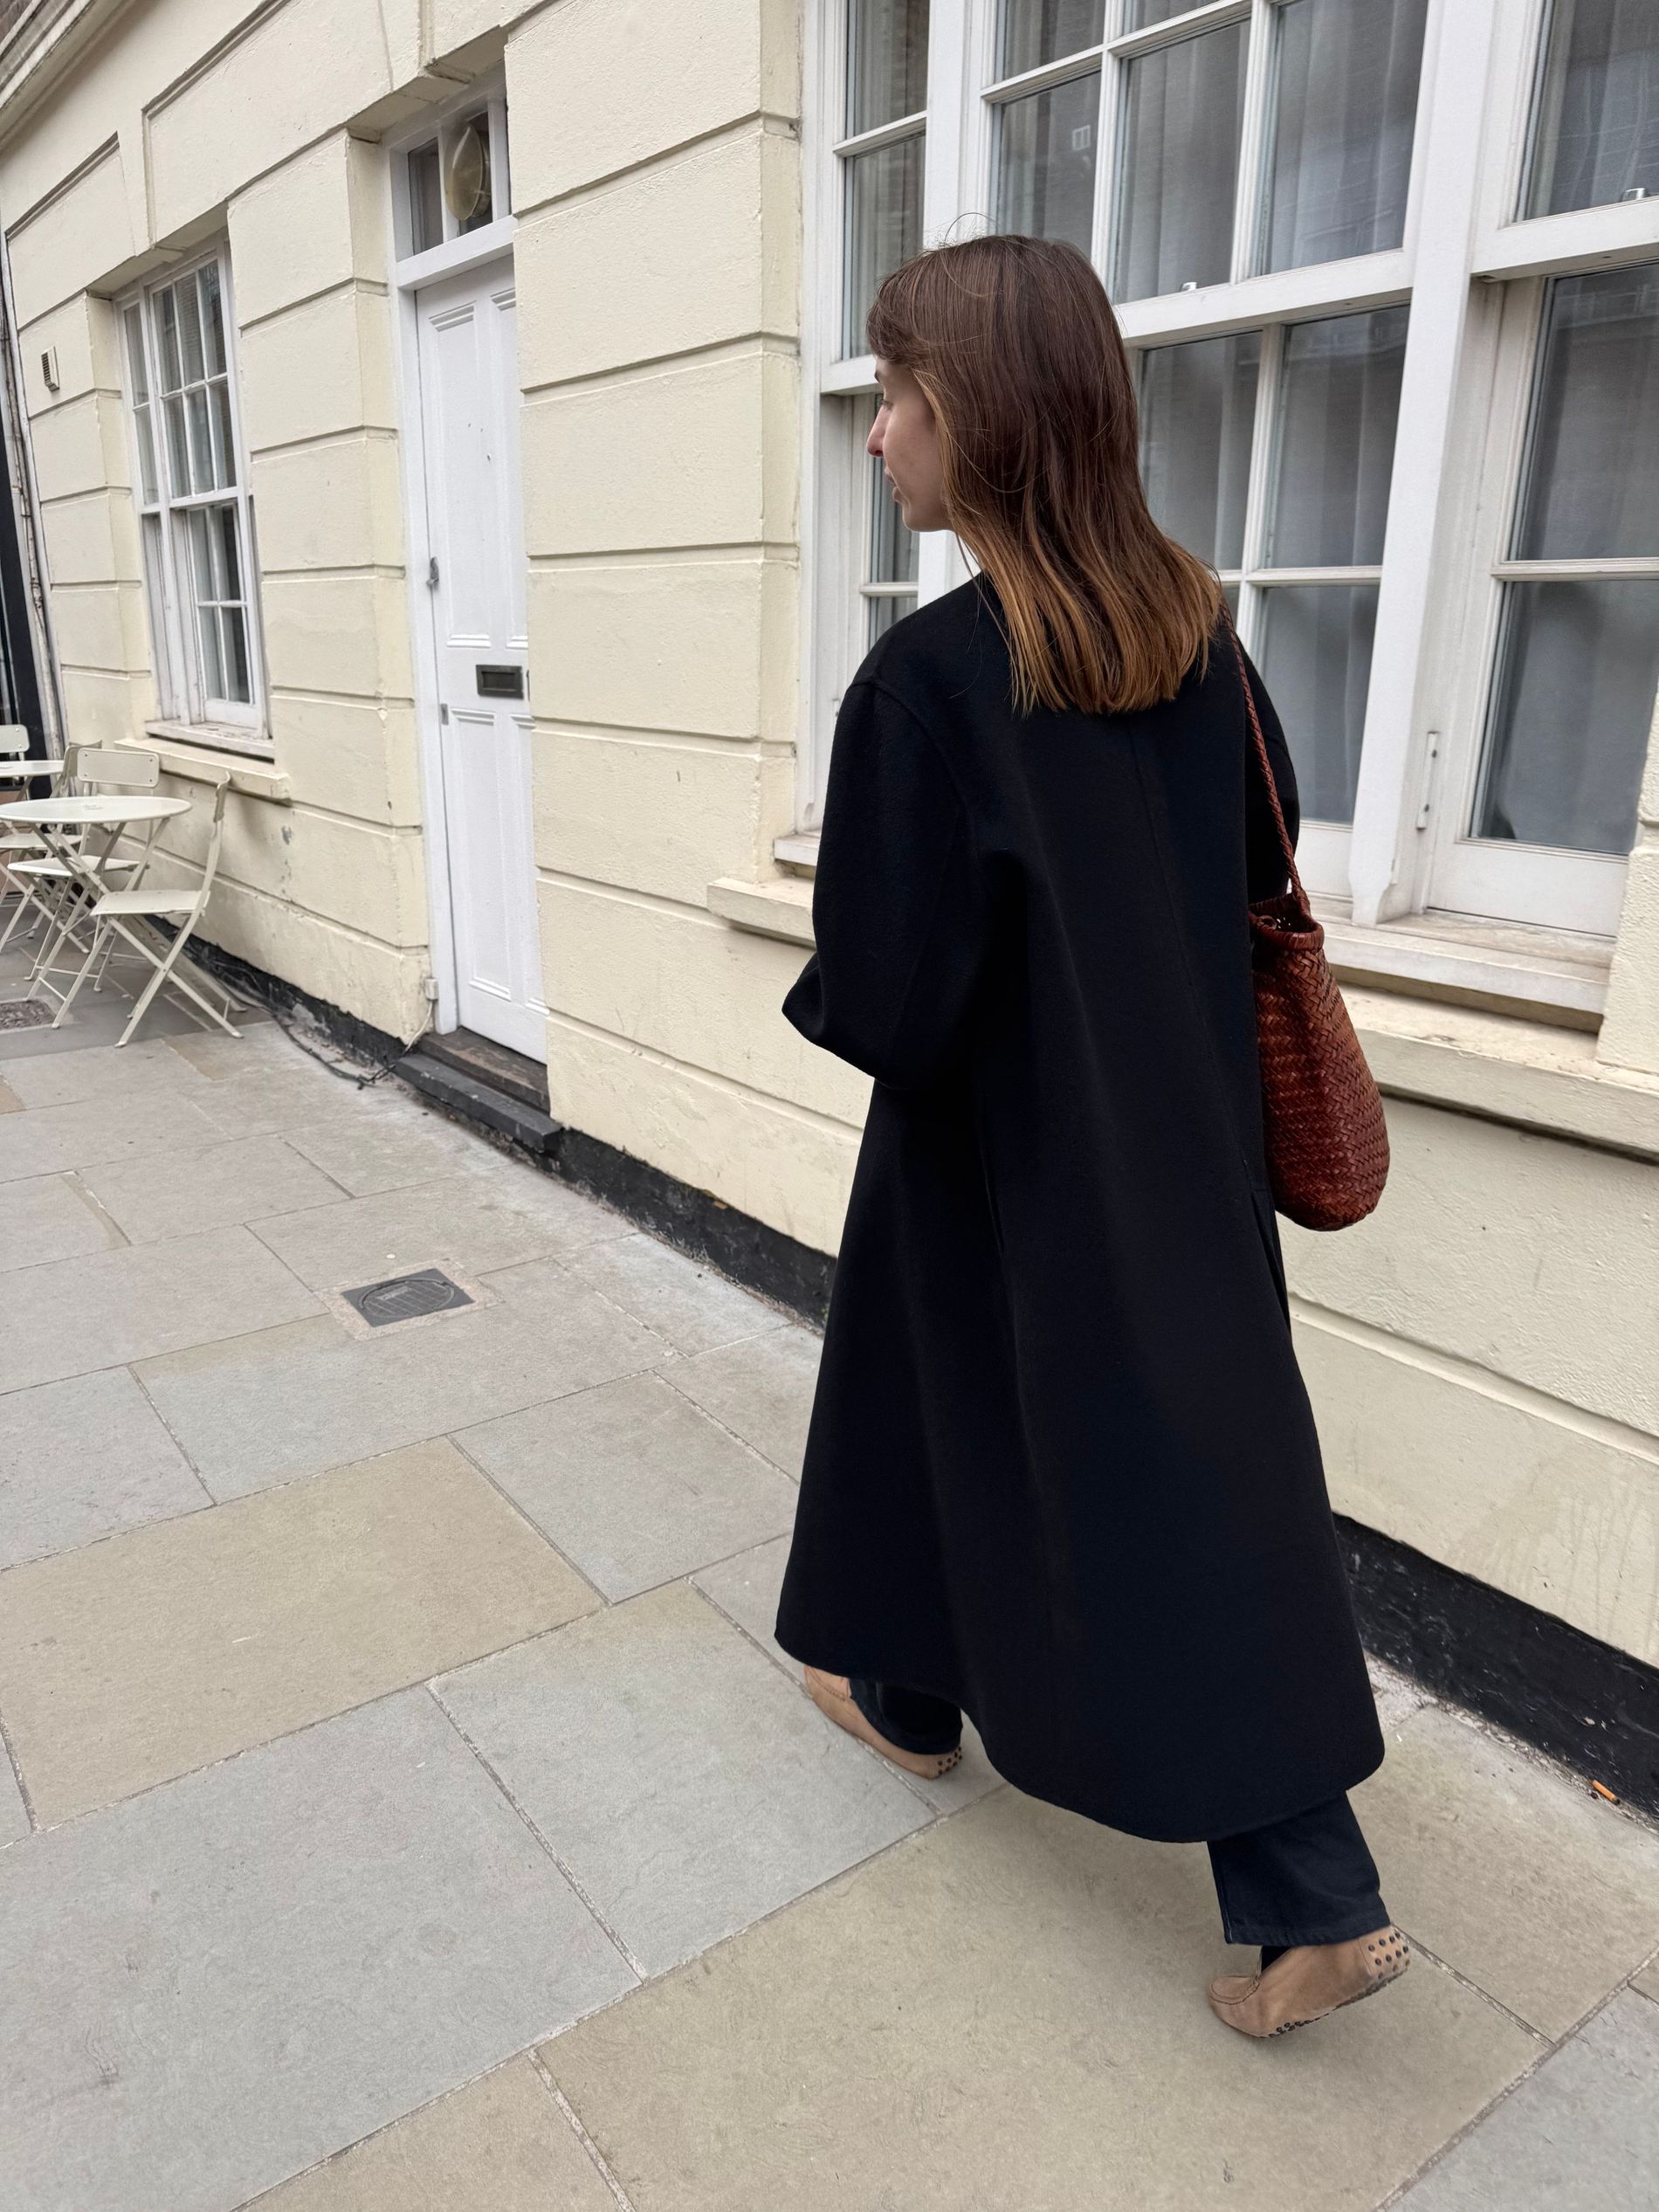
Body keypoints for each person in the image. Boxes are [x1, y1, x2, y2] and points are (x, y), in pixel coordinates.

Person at [774, 236, 1409, 2040]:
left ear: (982, 416)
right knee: (1180, 1466)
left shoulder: (926, 684)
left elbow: (888, 1003)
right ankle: (909, 1692)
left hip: (996, 1170)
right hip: (1187, 1162)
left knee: (1013, 1432)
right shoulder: (1203, 643)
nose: (875, 433)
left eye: (895, 396)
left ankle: (1314, 1891)